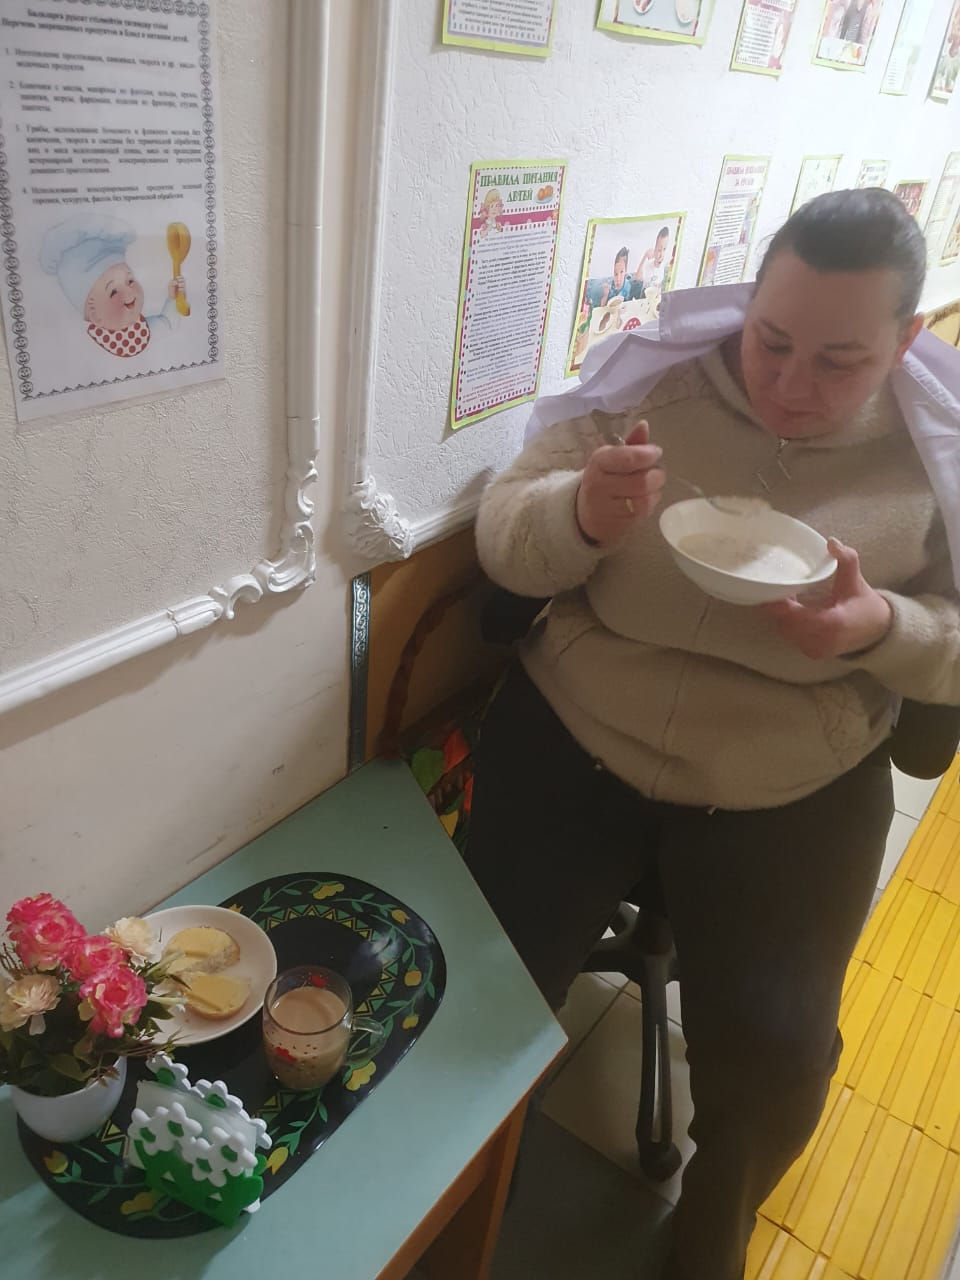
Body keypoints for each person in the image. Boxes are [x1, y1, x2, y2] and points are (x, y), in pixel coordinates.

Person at [468, 189, 960, 1280]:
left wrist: (885, 627)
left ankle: (707, 1242)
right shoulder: (655, 384)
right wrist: (577, 515)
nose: (789, 383)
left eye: (839, 361)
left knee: (780, 1060)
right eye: (770, 340)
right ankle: (453, 1202)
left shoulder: (934, 458)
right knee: (475, 990)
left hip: (791, 774)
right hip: (580, 724)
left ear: (905, 341)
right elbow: (505, 530)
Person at [40, 213, 184, 358]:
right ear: (95, 315)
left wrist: (173, 299)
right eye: (113, 292)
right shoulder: (82, 351)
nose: (129, 291)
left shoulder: (137, 332)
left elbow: (167, 324)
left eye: (130, 280)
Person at [630, 226, 671, 297]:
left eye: (664, 249)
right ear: (654, 250)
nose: (661, 255)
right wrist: (645, 256)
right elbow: (637, 278)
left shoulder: (665, 266)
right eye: (659, 250)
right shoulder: (648, 265)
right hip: (645, 296)